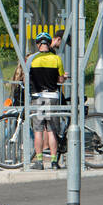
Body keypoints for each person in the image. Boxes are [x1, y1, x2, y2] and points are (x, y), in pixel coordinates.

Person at [28, 32, 65, 170]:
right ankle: (54, 162)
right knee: (51, 131)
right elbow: (60, 79)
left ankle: (39, 162)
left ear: (38, 44)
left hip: (37, 97)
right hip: (53, 97)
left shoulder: (32, 59)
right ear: (49, 44)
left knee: (38, 131)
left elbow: (27, 77)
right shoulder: (56, 59)